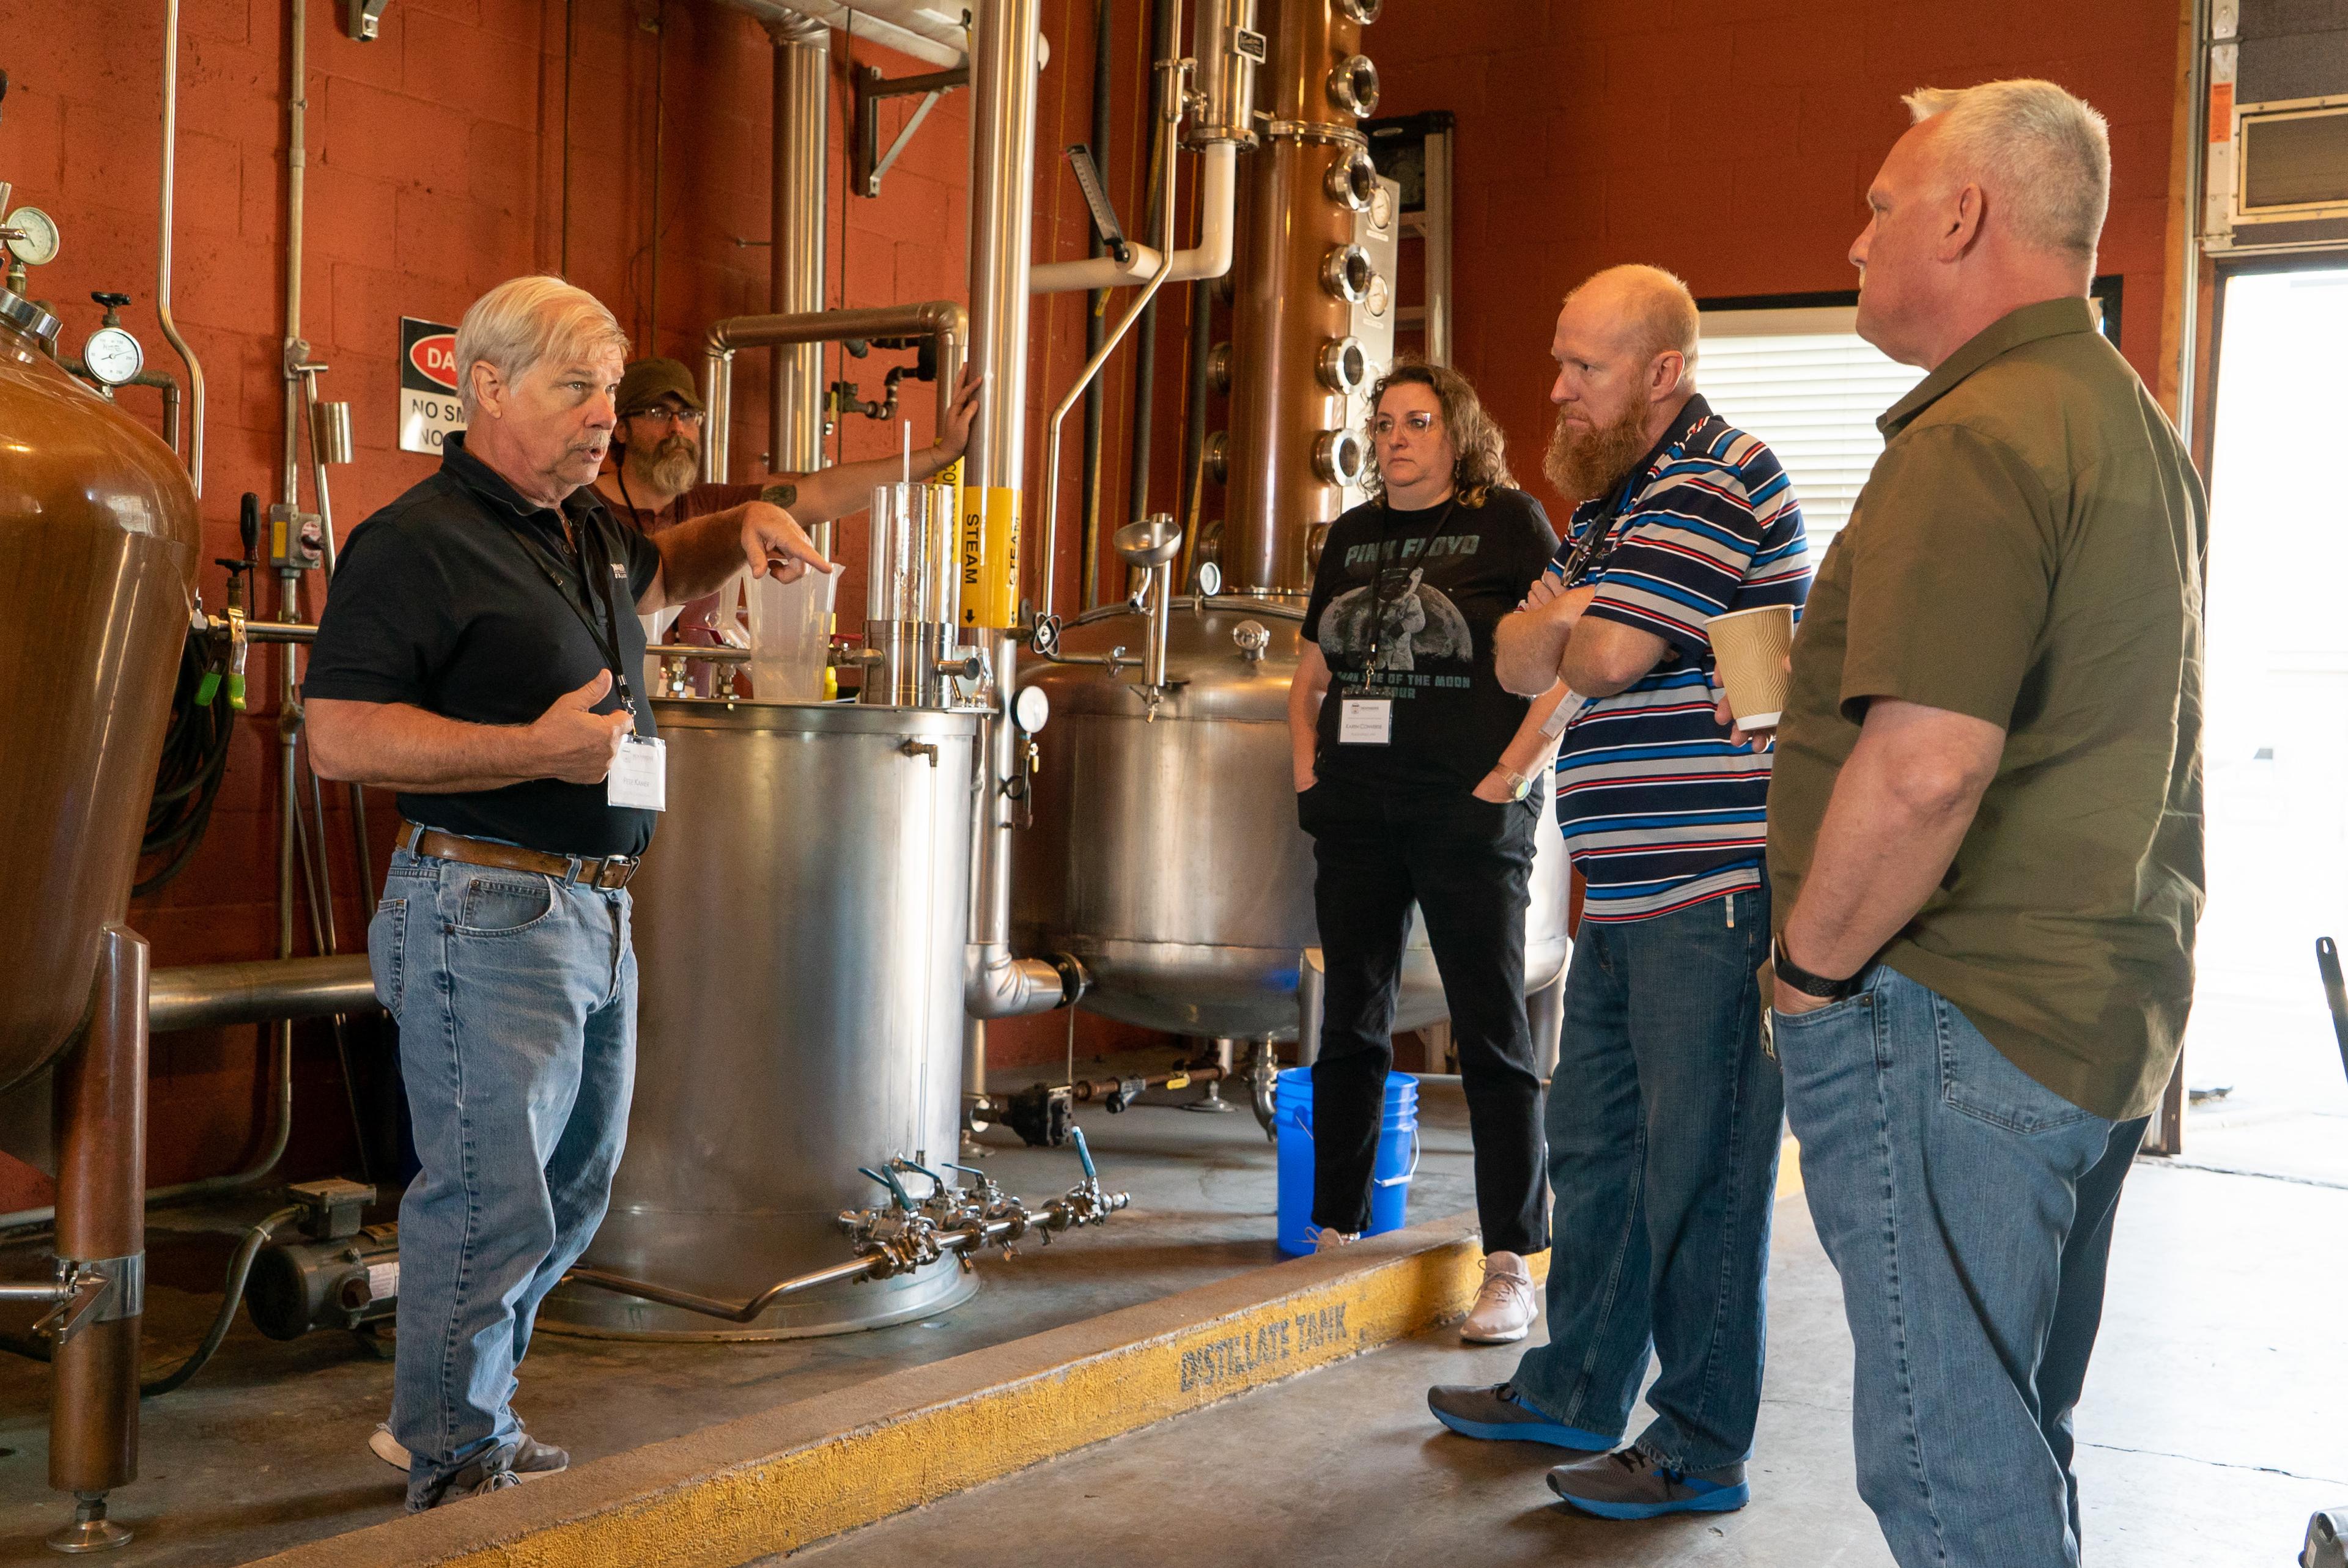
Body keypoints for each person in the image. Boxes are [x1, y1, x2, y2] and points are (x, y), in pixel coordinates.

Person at [1762, 81, 2204, 1568]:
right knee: (2017, 1433)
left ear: (1961, 215)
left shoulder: (1971, 436)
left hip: (1951, 1022)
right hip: (2089, 1015)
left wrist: (1806, 976)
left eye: (1880, 206)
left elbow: (1927, 766)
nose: (1853, 236)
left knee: (1951, 1478)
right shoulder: (2118, 416)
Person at [304, 276, 833, 1511]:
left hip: (593, 908)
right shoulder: (418, 541)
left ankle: (451, 1411)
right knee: (493, 1198)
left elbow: (660, 575)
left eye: (612, 387)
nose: (609, 417)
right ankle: (454, 1459)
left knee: (571, 1193)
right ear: (486, 387)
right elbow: (336, 735)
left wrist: (749, 514)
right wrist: (532, 753)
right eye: (577, 387)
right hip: (484, 907)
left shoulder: (579, 529)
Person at [1427, 264, 1812, 1521]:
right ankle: (1581, 1381)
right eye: (1560, 359)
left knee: (1702, 1174)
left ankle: (1700, 1445)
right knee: (1595, 1153)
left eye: (1585, 367)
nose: (1557, 389)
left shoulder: (1715, 475)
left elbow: (1592, 653)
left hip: (1714, 893)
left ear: (1664, 372)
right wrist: (1570, 612)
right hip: (1626, 895)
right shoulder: (1619, 503)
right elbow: (1512, 652)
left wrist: (1573, 616)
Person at [1288, 361, 1565, 1345]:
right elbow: (1312, 670)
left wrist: (1510, 778)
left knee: (1493, 1034)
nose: (1397, 437)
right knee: (1350, 1023)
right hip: (1358, 809)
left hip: (1468, 813)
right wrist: (1306, 773)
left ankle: (1511, 1263)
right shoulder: (1354, 536)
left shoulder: (1511, 521)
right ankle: (1335, 1229)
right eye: (1385, 421)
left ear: (1457, 433)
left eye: (1417, 420)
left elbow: (1564, 661)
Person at [594, 355, 980, 665]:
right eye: (660, 413)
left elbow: (821, 493)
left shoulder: (715, 508)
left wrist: (939, 455)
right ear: (621, 429)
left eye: (689, 415)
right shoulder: (583, 507)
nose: (678, 428)